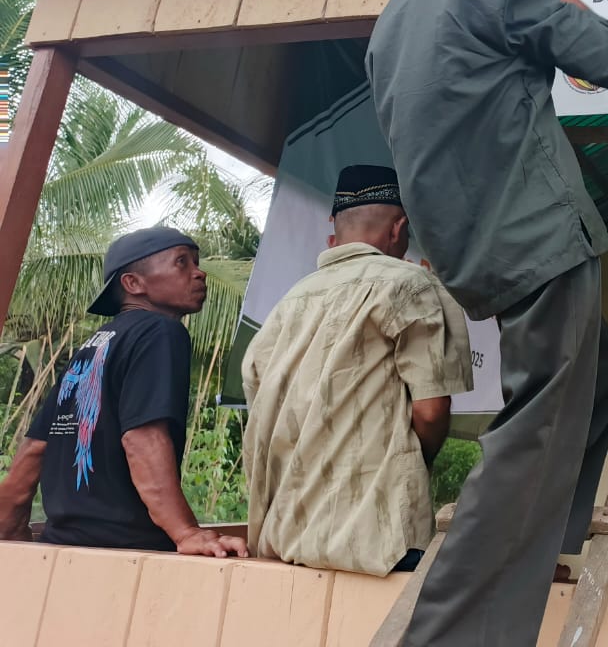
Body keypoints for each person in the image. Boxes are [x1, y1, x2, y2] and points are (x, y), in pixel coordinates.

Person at [365, 0, 608, 646]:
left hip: (479, 260)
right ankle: (448, 635)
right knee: (531, 437)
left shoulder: (386, 31)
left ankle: (544, 536)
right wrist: (578, 13)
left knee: (601, 376)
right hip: (541, 243)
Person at [241, 165, 474, 576]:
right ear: (399, 227)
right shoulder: (408, 284)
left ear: (337, 229)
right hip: (378, 544)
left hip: (287, 540)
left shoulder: (290, 301)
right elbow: (431, 411)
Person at [0, 228, 247, 558]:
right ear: (133, 284)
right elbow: (142, 438)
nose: (199, 272)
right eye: (181, 262)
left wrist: (12, 532)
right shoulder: (160, 331)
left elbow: (35, 447)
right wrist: (186, 532)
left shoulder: (94, 344)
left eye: (196, 262)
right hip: (128, 553)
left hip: (61, 548)